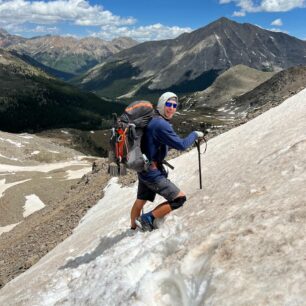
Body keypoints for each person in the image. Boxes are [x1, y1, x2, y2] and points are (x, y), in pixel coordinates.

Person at [130, 92, 204, 231]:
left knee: (140, 201)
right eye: (168, 104)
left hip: (143, 167)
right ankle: (147, 218)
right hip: (152, 172)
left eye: (175, 105)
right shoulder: (160, 124)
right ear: (162, 104)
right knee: (179, 199)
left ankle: (133, 229)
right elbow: (181, 145)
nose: (171, 108)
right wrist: (194, 134)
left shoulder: (153, 119)